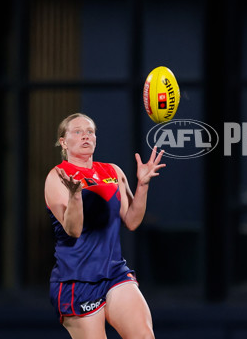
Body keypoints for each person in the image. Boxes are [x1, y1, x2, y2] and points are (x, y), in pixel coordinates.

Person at [44, 112, 165, 339]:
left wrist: (142, 184)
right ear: (63, 141)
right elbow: (73, 230)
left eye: (90, 131)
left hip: (114, 273)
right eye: (77, 132)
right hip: (77, 280)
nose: (85, 136)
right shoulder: (58, 176)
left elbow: (131, 221)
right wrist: (75, 196)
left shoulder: (112, 171)